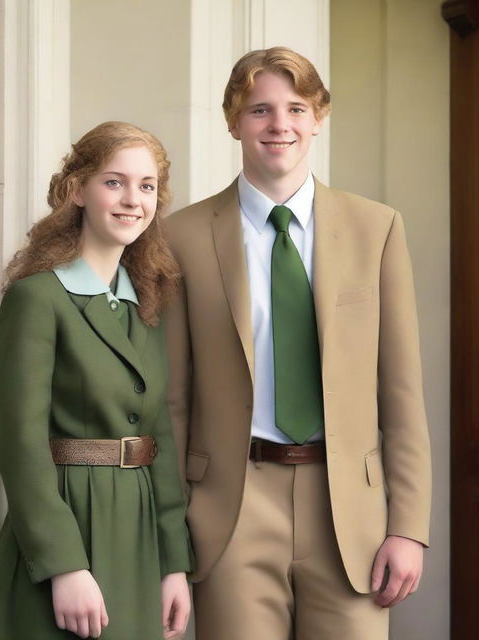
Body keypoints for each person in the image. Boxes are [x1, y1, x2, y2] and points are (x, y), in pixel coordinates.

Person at [164, 46, 431, 639]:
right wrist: (169, 540)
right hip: (229, 510)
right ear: (233, 121)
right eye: (259, 109)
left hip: (349, 515)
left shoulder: (377, 228)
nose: (279, 124)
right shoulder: (178, 237)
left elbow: (402, 394)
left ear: (318, 117)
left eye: (295, 108)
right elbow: (172, 403)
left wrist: (408, 526)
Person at [0, 121, 192, 640]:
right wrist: (64, 566)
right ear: (77, 189)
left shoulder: (147, 305)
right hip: (66, 526)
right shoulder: (36, 299)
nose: (132, 200)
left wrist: (174, 563)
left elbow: (159, 437)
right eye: (114, 182)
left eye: (147, 186)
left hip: (140, 531)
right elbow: (21, 443)